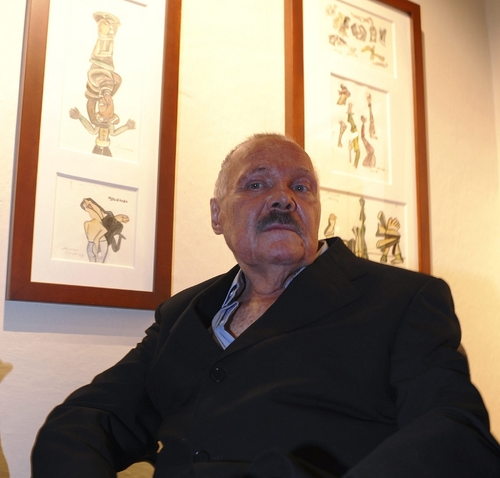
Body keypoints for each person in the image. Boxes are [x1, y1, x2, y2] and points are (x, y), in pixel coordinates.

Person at [31, 133, 500, 477]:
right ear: (217, 215)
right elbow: (86, 421)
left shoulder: (401, 300)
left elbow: (455, 430)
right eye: (256, 184)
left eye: (301, 187)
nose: (283, 199)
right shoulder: (182, 314)